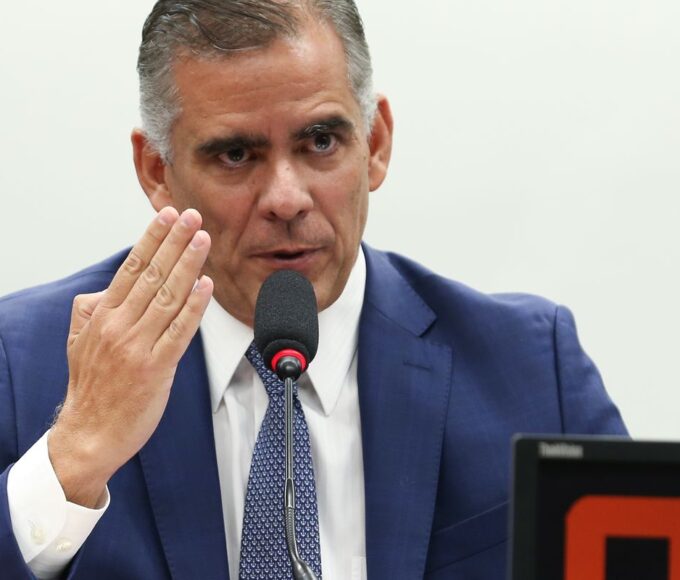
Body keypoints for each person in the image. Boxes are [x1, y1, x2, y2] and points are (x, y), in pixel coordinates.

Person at [0, 1, 626, 578]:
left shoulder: (531, 367)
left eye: (320, 142)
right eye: (236, 155)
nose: (286, 198)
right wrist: (74, 457)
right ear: (156, 171)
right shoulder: (23, 366)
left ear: (375, 143)